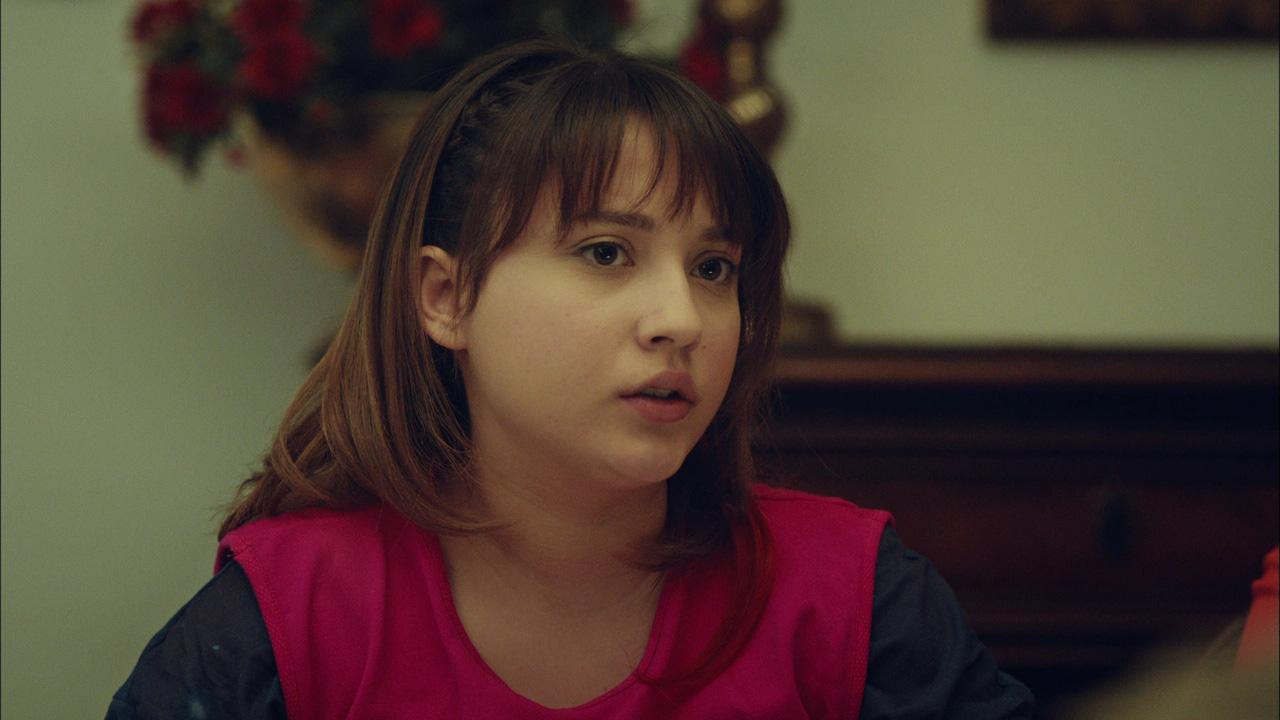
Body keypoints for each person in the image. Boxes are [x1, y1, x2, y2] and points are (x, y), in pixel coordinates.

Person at [106, 40, 1033, 719]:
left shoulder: (855, 598)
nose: (681, 319)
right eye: (605, 252)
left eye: (714, 268)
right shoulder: (290, 615)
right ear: (445, 296)